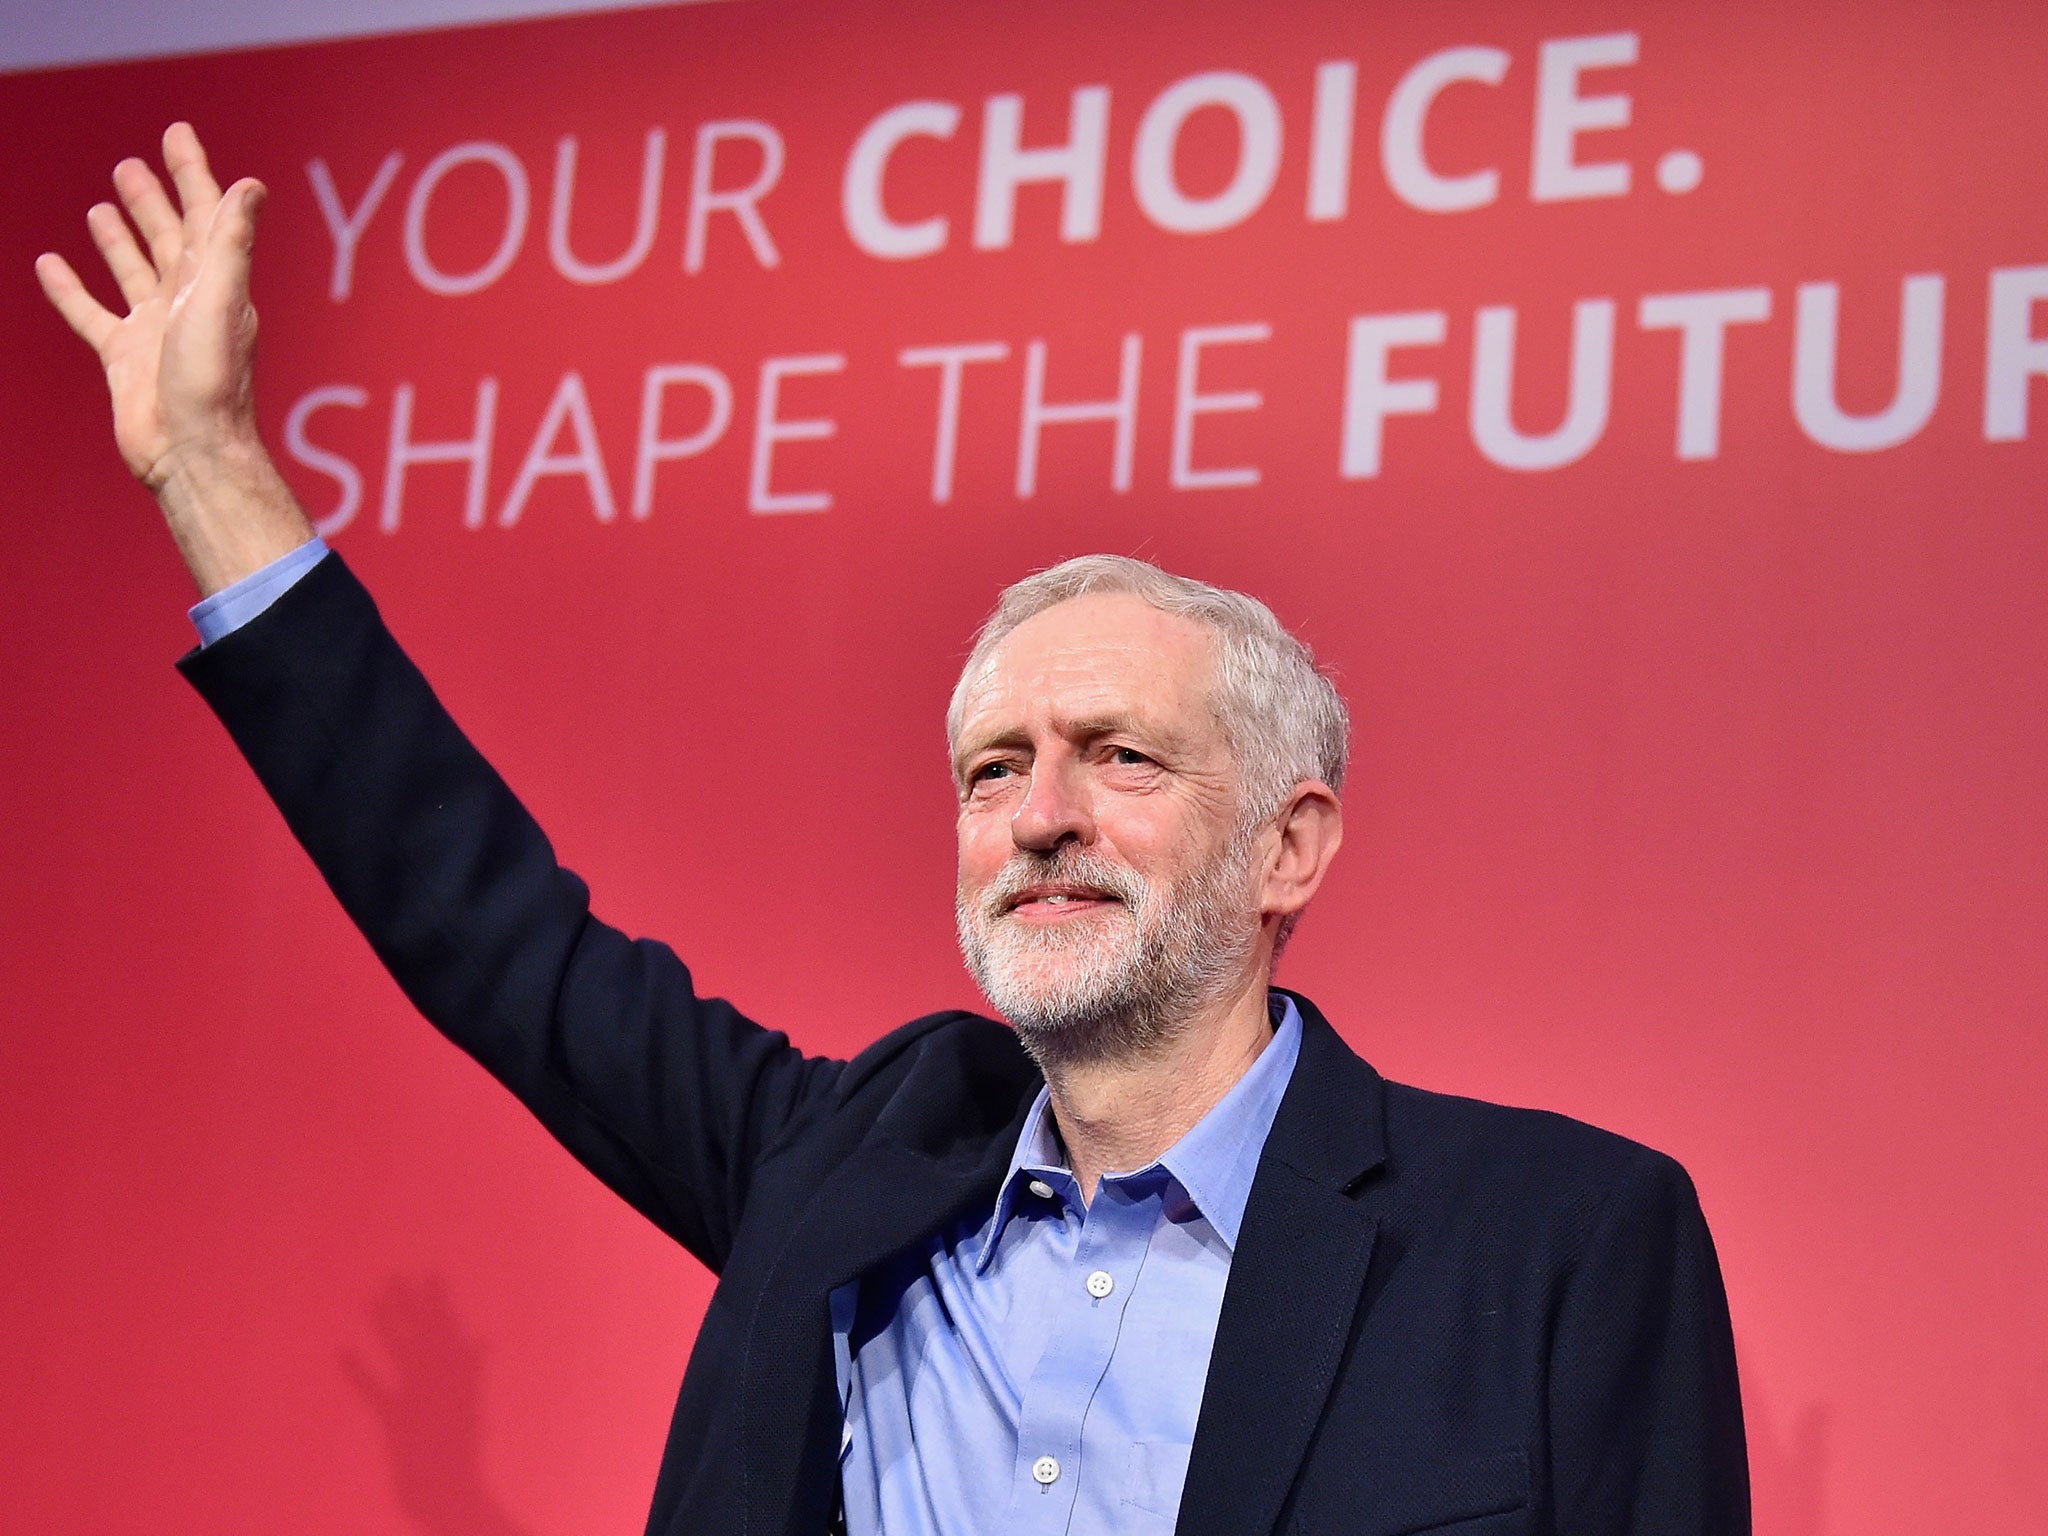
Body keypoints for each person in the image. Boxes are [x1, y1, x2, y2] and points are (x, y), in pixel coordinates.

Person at [38, 125, 1750, 1536]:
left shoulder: (1562, 1241)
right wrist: (207, 466)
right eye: (992, 771)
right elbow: (492, 932)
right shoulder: (845, 1165)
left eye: (1118, 758)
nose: (1041, 817)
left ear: (1292, 847)